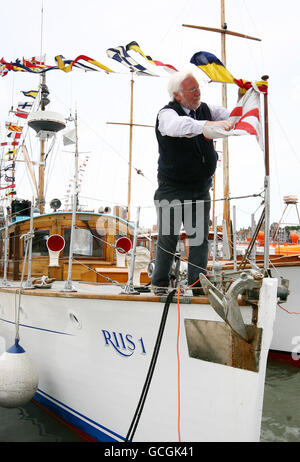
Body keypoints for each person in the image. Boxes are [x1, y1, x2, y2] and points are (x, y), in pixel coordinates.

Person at [151, 69, 234, 296]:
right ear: (178, 95)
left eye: (198, 88)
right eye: (192, 90)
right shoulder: (167, 115)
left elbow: (231, 116)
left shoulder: (207, 109)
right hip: (172, 188)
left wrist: (246, 100)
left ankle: (197, 289)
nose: (198, 93)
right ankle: (159, 285)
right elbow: (178, 127)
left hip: (200, 188)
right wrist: (206, 127)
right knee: (168, 238)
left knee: (199, 240)